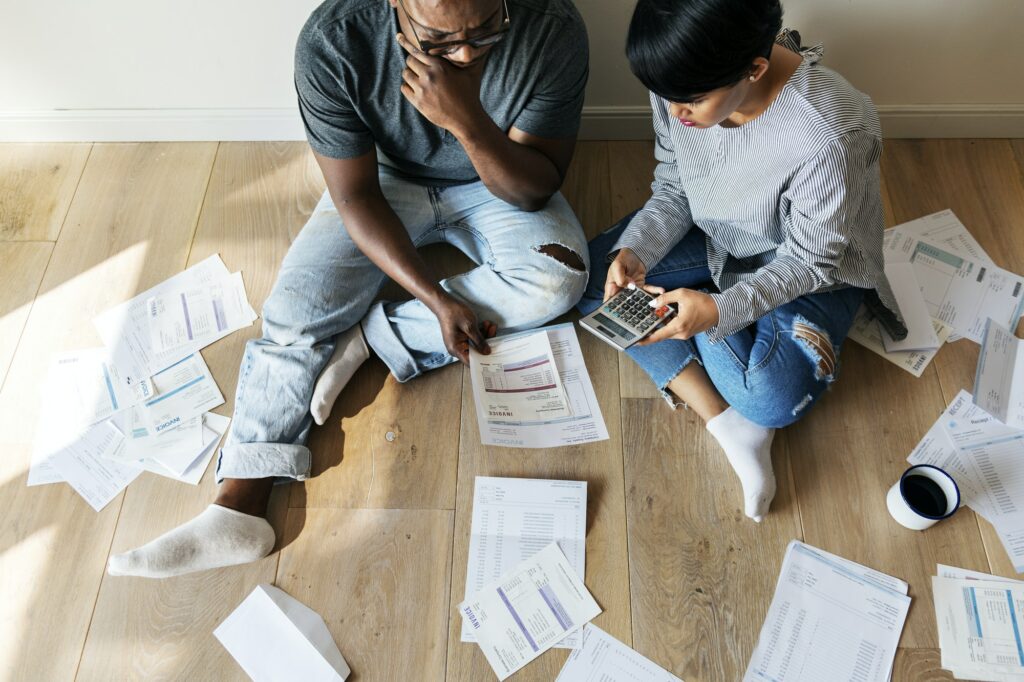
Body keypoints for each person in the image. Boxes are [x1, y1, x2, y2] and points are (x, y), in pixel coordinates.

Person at [108, 0, 590, 578]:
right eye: (439, 41)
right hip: (384, 184)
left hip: (499, 178)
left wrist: (465, 119)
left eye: (486, 31)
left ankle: (370, 338)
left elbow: (534, 189)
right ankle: (241, 501)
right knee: (293, 314)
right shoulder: (333, 42)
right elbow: (355, 197)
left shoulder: (552, 27)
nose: (465, 53)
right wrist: (435, 298)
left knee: (559, 279)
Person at [578, 0, 905, 522]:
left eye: (691, 103)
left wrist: (718, 310)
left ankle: (733, 381)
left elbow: (813, 261)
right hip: (719, 238)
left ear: (754, 68)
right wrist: (635, 251)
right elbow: (675, 185)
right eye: (666, 97)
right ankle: (728, 423)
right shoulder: (679, 79)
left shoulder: (831, 131)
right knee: (588, 274)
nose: (675, 112)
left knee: (771, 397)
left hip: (809, 274)